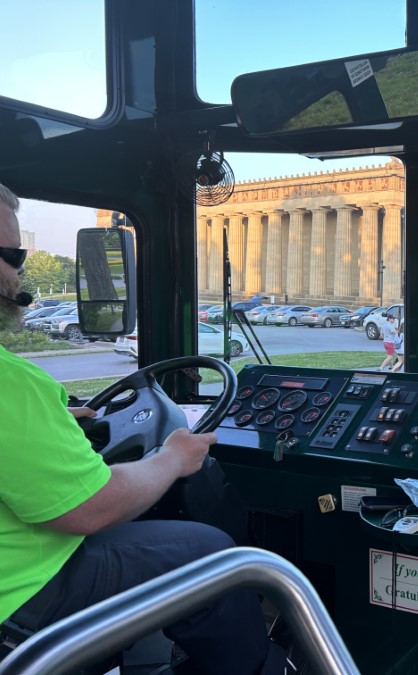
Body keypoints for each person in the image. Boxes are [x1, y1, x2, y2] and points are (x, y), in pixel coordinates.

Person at [0, 183, 288, 674]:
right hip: (25, 593)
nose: (20, 268)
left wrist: (56, 423)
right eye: (11, 254)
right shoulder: (11, 384)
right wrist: (172, 458)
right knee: (212, 554)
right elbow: (92, 508)